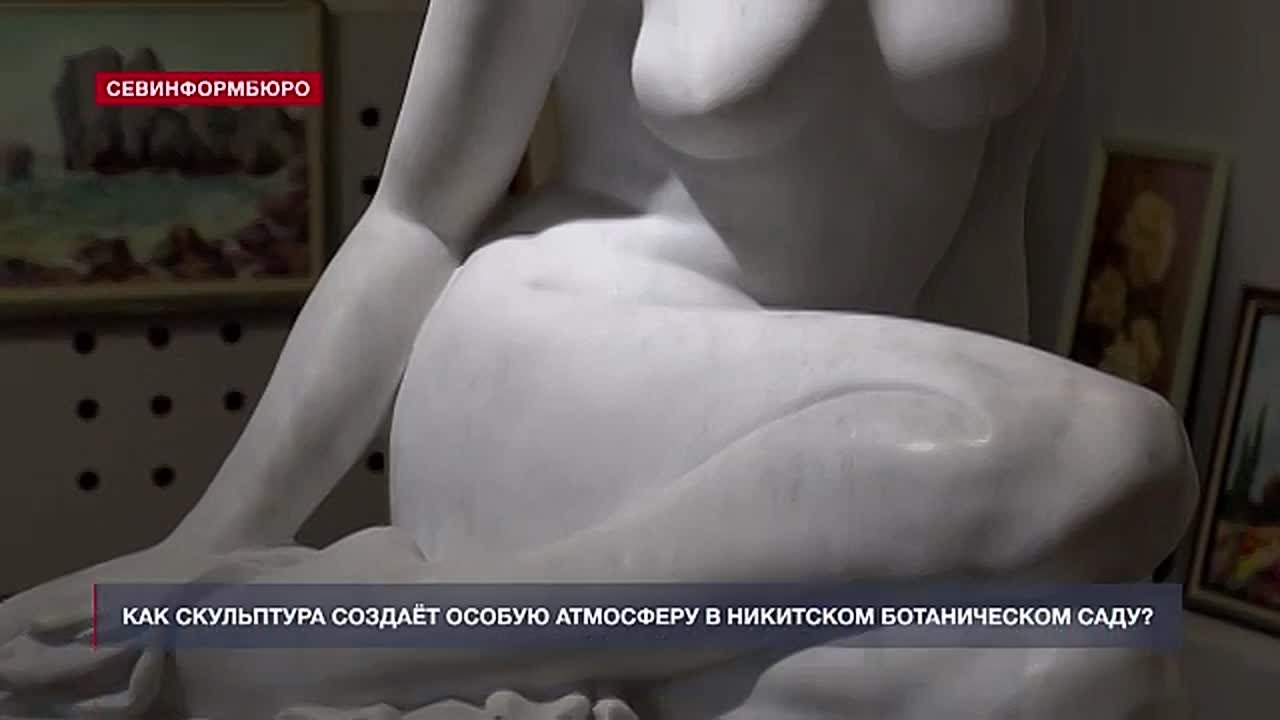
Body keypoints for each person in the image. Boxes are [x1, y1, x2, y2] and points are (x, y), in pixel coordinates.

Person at [0, 1, 1198, 717]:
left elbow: (981, 240)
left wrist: (1005, 541)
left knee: (1087, 670)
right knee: (1116, 448)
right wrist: (204, 538)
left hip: (822, 436)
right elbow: (414, 217)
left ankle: (316, 650)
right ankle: (357, 642)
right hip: (562, 363)